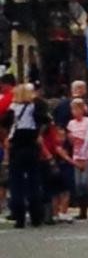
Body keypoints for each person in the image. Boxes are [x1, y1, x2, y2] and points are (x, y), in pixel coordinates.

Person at [3, 84, 49, 228]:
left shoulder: (12, 109)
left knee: (16, 183)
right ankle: (36, 216)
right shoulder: (35, 108)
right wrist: (39, 134)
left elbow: (4, 124)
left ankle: (19, 217)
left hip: (16, 147)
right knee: (34, 181)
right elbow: (46, 120)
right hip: (31, 146)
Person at [67, 98, 88, 220]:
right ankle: (82, 211)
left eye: (77, 109)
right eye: (73, 109)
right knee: (78, 184)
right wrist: (72, 139)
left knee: (86, 182)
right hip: (77, 154)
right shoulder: (71, 124)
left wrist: (81, 140)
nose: (74, 112)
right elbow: (71, 141)